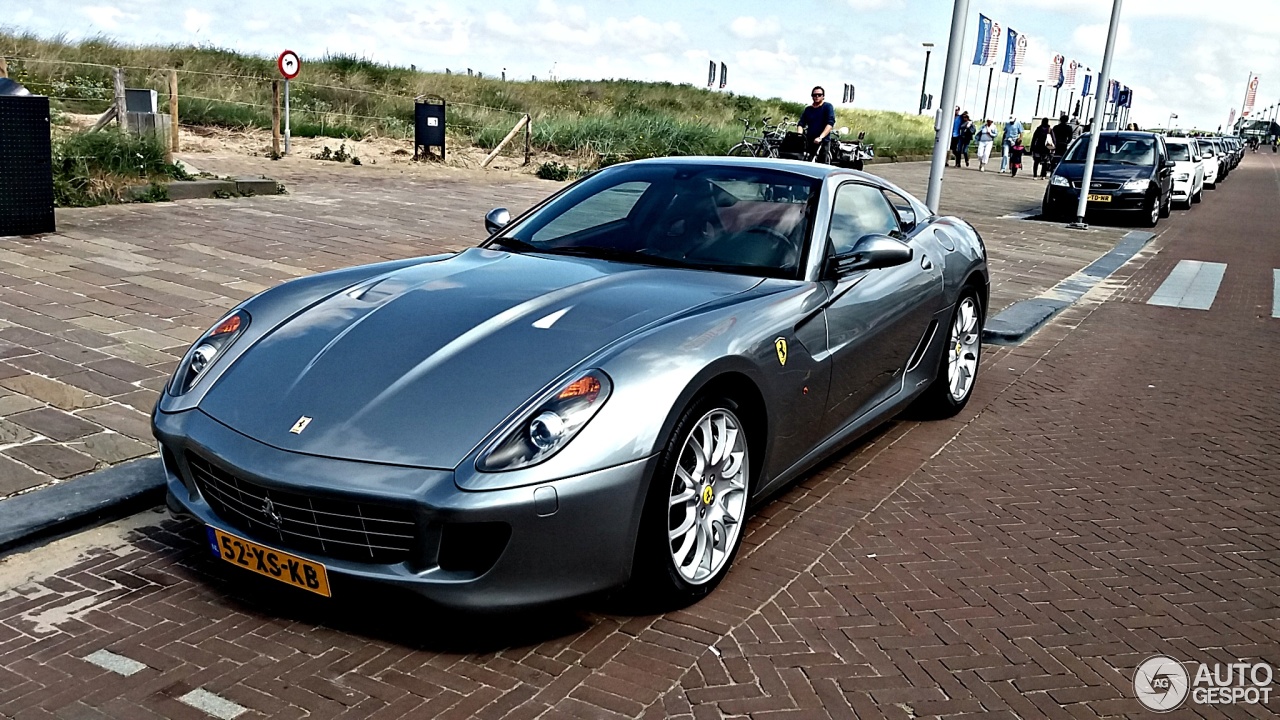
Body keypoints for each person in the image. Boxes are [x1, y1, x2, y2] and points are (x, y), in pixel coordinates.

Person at [799, 86, 835, 163]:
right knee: (807, 161)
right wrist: (799, 136)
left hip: (822, 141)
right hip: (809, 141)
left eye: (819, 95)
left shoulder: (827, 107)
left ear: (823, 96)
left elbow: (830, 123)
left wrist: (820, 137)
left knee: (821, 164)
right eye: (814, 95)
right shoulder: (808, 109)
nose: (817, 97)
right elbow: (801, 124)